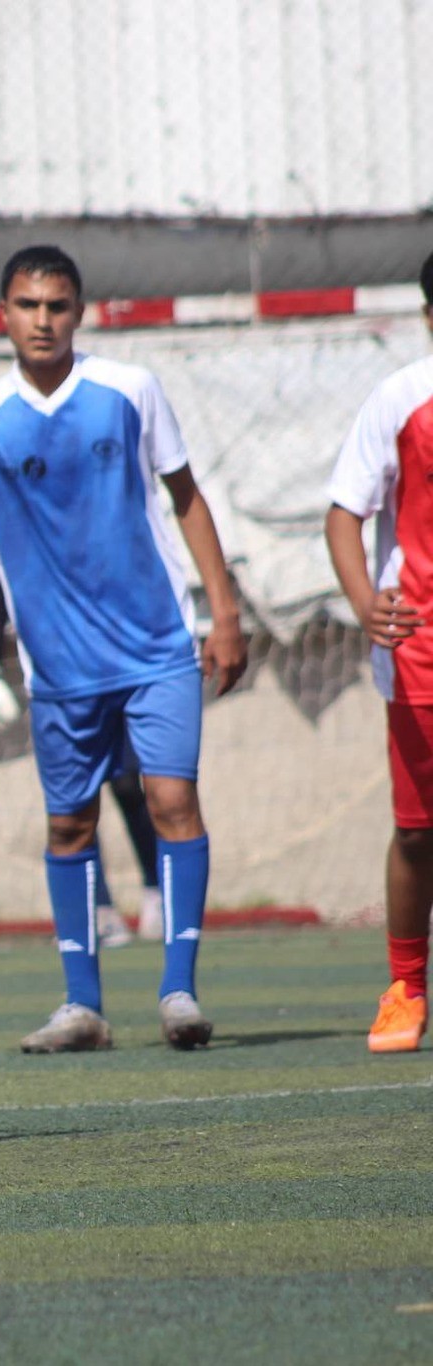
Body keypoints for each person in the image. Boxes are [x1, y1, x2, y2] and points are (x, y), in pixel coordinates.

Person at [0, 245, 247, 1054]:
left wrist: (224, 613)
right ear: (3, 314)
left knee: (172, 801)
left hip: (155, 646)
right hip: (59, 670)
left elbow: (187, 499)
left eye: (58, 306)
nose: (43, 320)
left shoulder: (130, 391)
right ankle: (83, 1007)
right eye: (29, 306)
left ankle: (179, 991)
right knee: (69, 825)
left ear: (80, 312)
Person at [321, 250, 433, 1055]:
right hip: (421, 647)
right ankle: (405, 988)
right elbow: (343, 513)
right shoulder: (400, 398)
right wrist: (366, 604)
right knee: (419, 831)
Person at [0, 567, 164, 947]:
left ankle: (157, 893)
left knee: (128, 783)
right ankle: (99, 909)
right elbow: (2, 586)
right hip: (56, 677)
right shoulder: (18, 530)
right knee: (76, 796)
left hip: (113, 664)